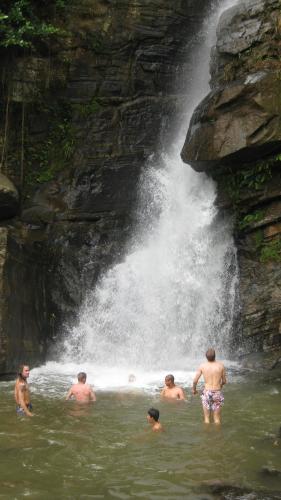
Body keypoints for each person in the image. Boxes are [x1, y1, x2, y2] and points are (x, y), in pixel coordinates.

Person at [192, 348, 226, 424]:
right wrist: (220, 385)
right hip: (217, 392)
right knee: (217, 419)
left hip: (207, 392)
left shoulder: (202, 366)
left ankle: (207, 434)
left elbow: (195, 381)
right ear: (215, 356)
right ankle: (218, 435)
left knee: (206, 418)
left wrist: (194, 390)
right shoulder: (221, 366)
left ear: (206, 357)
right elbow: (224, 381)